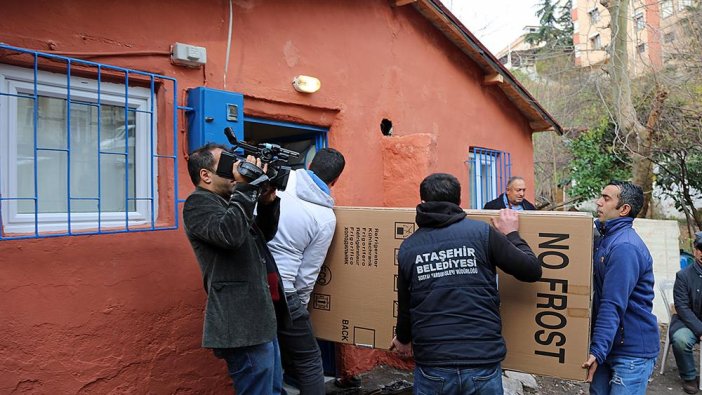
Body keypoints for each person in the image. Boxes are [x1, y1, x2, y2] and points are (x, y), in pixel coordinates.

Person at [390, 173, 542, 394]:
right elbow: (531, 269)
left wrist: (403, 338)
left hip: (434, 362)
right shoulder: (482, 234)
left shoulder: (409, 247)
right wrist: (511, 234)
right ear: (459, 201)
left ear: (422, 203)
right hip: (481, 359)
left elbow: (406, 305)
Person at [183, 143, 290, 394]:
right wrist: (245, 187)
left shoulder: (228, 202)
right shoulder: (197, 204)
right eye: (227, 165)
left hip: (260, 319)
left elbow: (260, 235)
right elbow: (229, 236)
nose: (235, 170)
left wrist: (266, 202)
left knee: (273, 389)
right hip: (241, 323)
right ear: (205, 175)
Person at [267, 148, 346, 394]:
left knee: (265, 352)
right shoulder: (325, 217)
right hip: (285, 289)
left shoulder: (278, 181)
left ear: (310, 165)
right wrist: (299, 305)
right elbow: (309, 271)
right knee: (309, 360)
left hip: (253, 281)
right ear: (335, 180)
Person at [582, 180, 659, 395]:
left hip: (630, 353)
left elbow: (612, 303)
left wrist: (597, 350)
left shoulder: (624, 247)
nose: (598, 202)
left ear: (624, 209)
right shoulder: (607, 238)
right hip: (610, 344)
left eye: (606, 199)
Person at [670, 231, 702, 394]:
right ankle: (689, 376)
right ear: (695, 250)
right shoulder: (683, 276)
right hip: (688, 322)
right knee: (680, 339)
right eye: (700, 248)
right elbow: (682, 307)